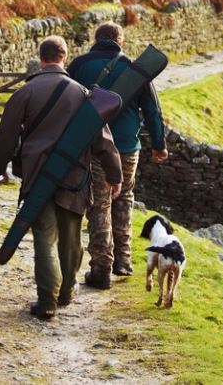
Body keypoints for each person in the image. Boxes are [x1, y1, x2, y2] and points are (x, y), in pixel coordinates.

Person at [0, 35, 122, 319]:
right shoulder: (83, 94)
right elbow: (103, 140)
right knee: (71, 238)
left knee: (44, 237)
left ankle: (47, 300)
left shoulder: (25, 92)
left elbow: (6, 136)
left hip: (37, 175)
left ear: (41, 57)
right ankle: (66, 291)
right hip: (74, 176)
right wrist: (115, 175)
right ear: (64, 57)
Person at [67, 21, 168, 289]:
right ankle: (123, 261)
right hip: (126, 147)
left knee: (99, 202)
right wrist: (159, 145)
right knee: (124, 198)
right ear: (120, 41)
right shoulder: (134, 69)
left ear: (96, 39)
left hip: (93, 145)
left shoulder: (78, 66)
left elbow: (65, 102)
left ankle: (101, 266)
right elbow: (153, 111)